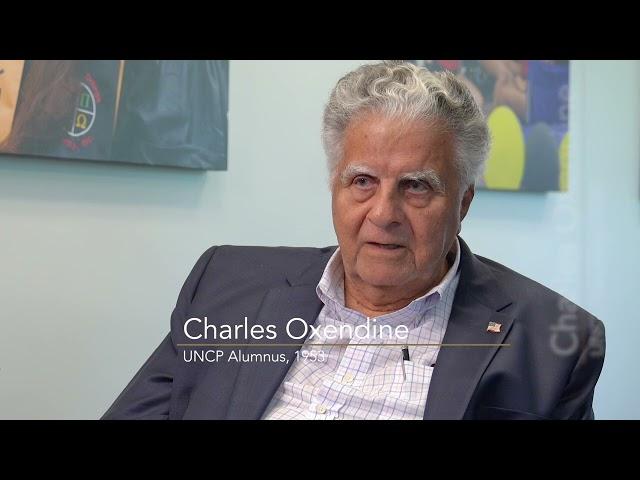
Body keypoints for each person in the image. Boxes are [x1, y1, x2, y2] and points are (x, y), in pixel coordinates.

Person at [102, 61, 605, 420]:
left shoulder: (553, 341)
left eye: (417, 186)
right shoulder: (226, 283)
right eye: (362, 181)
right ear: (335, 186)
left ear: (463, 203)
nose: (383, 214)